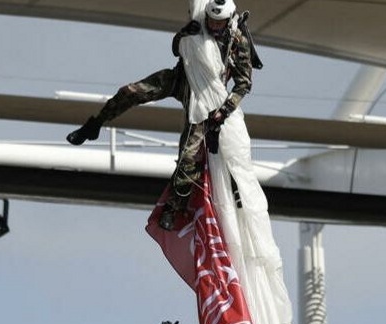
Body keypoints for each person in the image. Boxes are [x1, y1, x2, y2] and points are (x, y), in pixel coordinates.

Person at [65, 0, 261, 230]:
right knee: (130, 92)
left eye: (219, 23)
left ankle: (174, 207)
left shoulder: (238, 41)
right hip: (180, 78)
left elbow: (244, 84)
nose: (214, 26)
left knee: (189, 155)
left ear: (227, 21)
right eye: (211, 21)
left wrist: (224, 110)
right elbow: (177, 49)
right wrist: (184, 34)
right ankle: (94, 125)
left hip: (206, 97)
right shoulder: (199, 23)